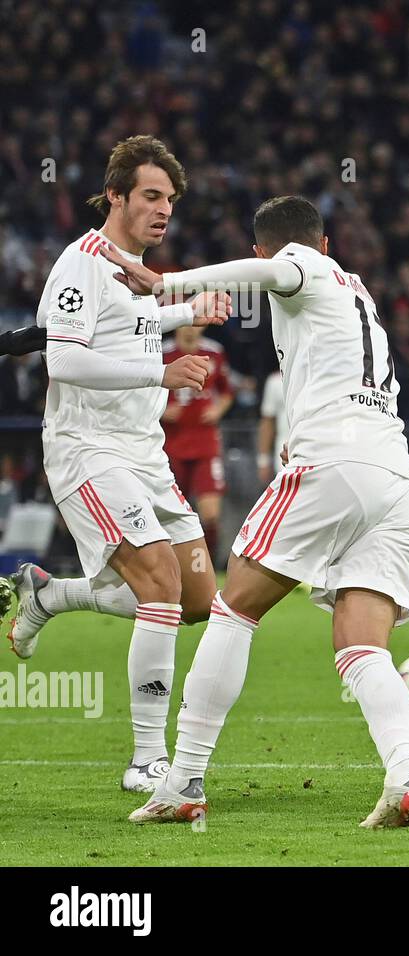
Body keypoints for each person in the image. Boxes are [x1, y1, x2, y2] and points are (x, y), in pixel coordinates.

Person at [103, 195, 409, 829]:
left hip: (336, 463)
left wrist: (166, 279)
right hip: (395, 475)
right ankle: (405, 774)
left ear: (274, 249)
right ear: (329, 241)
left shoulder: (296, 266)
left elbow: (270, 272)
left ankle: (184, 780)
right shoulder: (356, 292)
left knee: (234, 607)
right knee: (361, 644)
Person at [2, 135, 229, 794]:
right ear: (116, 196)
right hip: (88, 450)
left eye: (170, 201)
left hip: (143, 454)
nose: (163, 210)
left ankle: (52, 593)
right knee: (158, 584)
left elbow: (128, 330)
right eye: (151, 196)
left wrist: (187, 311)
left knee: (197, 602)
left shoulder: (132, 270)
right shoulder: (81, 264)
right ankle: (146, 760)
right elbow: (65, 360)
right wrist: (162, 370)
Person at [162, 325, 234, 565]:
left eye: (195, 323)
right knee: (168, 513)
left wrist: (217, 409)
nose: (190, 330)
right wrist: (161, 410)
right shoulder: (162, 353)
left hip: (205, 443)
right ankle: (171, 565)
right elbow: (141, 390)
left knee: (211, 513)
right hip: (170, 444)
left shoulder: (214, 352)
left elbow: (226, 392)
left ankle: (209, 569)